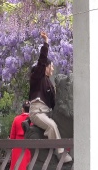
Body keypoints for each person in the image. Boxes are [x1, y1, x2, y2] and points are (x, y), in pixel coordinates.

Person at [28, 31, 72, 162]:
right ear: (45, 67)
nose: (52, 69)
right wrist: (46, 43)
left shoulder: (49, 83)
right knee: (52, 125)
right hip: (37, 112)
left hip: (48, 111)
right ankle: (60, 153)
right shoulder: (37, 77)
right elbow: (41, 61)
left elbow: (53, 103)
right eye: (51, 67)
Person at [10, 101, 32, 170]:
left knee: (17, 166)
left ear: (23, 109)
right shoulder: (33, 120)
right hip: (30, 145)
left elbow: (12, 135)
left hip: (17, 146)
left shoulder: (16, 119)